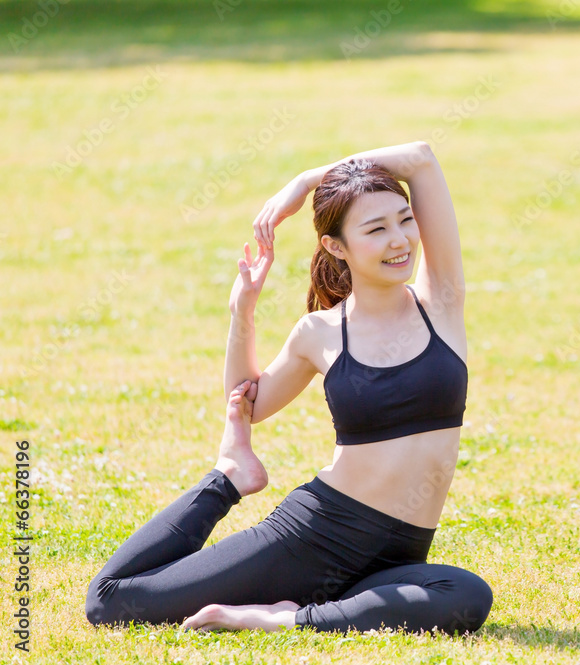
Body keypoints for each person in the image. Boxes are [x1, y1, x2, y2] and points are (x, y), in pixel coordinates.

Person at [85, 141, 493, 635]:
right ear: (336, 246)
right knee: (112, 602)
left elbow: (422, 158)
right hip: (320, 536)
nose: (400, 240)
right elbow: (248, 402)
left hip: (402, 549)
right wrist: (244, 311)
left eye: (405, 220)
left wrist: (306, 181)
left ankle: (288, 618)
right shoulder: (319, 333)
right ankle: (230, 477)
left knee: (469, 595)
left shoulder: (441, 301)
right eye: (376, 229)